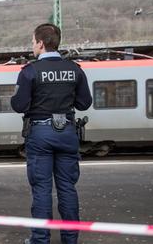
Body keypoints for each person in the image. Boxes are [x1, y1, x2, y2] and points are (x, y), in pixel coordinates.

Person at [10, 23, 92, 244]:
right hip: (67, 131)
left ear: (40, 43)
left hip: (40, 133)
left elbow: (19, 105)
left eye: (33, 41)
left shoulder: (30, 71)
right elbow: (85, 103)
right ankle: (70, 239)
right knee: (67, 187)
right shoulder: (75, 69)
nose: (33, 45)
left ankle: (40, 239)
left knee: (42, 189)